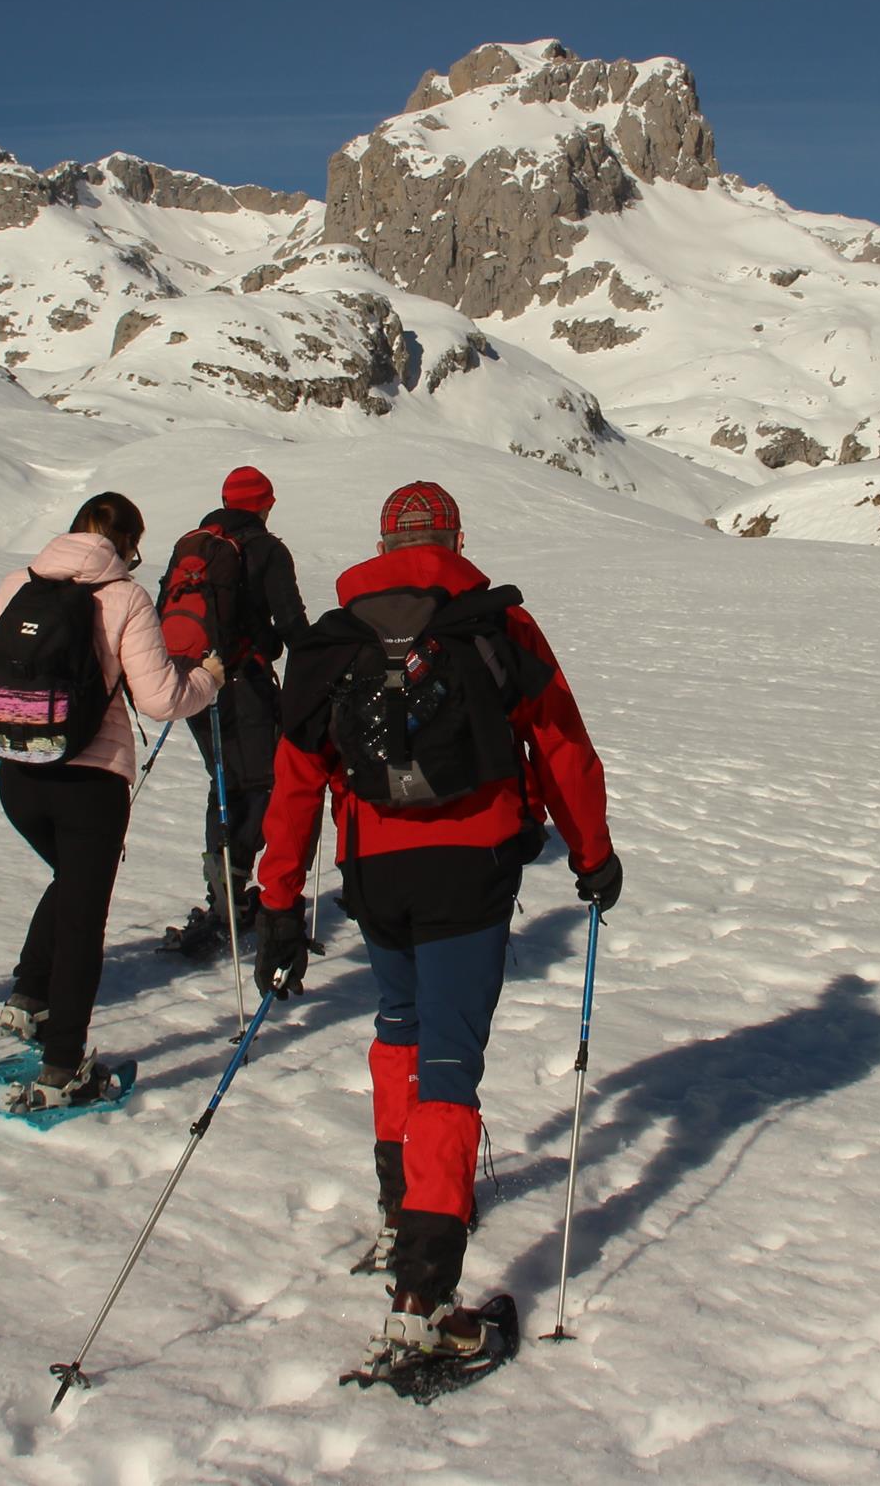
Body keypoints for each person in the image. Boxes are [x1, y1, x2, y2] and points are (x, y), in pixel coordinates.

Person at [254, 479, 619, 1369]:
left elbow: (296, 777)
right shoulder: (492, 623)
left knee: (400, 1030)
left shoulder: (334, 641)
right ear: (455, 536)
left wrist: (278, 900)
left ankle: (399, 1212)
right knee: (451, 1062)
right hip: (472, 865)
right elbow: (560, 741)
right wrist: (591, 852)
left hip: (373, 872)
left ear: (383, 545)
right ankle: (422, 1299)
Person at [0, 492, 221, 1107]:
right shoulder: (125, 595)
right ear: (127, 544)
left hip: (19, 775)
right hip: (91, 781)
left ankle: (30, 996)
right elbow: (160, 699)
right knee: (83, 913)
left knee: (72, 884)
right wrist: (208, 679)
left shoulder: (16, 583)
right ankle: (62, 1067)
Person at [168, 465, 313, 960]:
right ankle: (230, 891)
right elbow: (292, 622)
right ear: (265, 504)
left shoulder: (194, 545)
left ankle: (225, 885)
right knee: (259, 782)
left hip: (191, 679)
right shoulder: (268, 550)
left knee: (226, 777)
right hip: (243, 683)